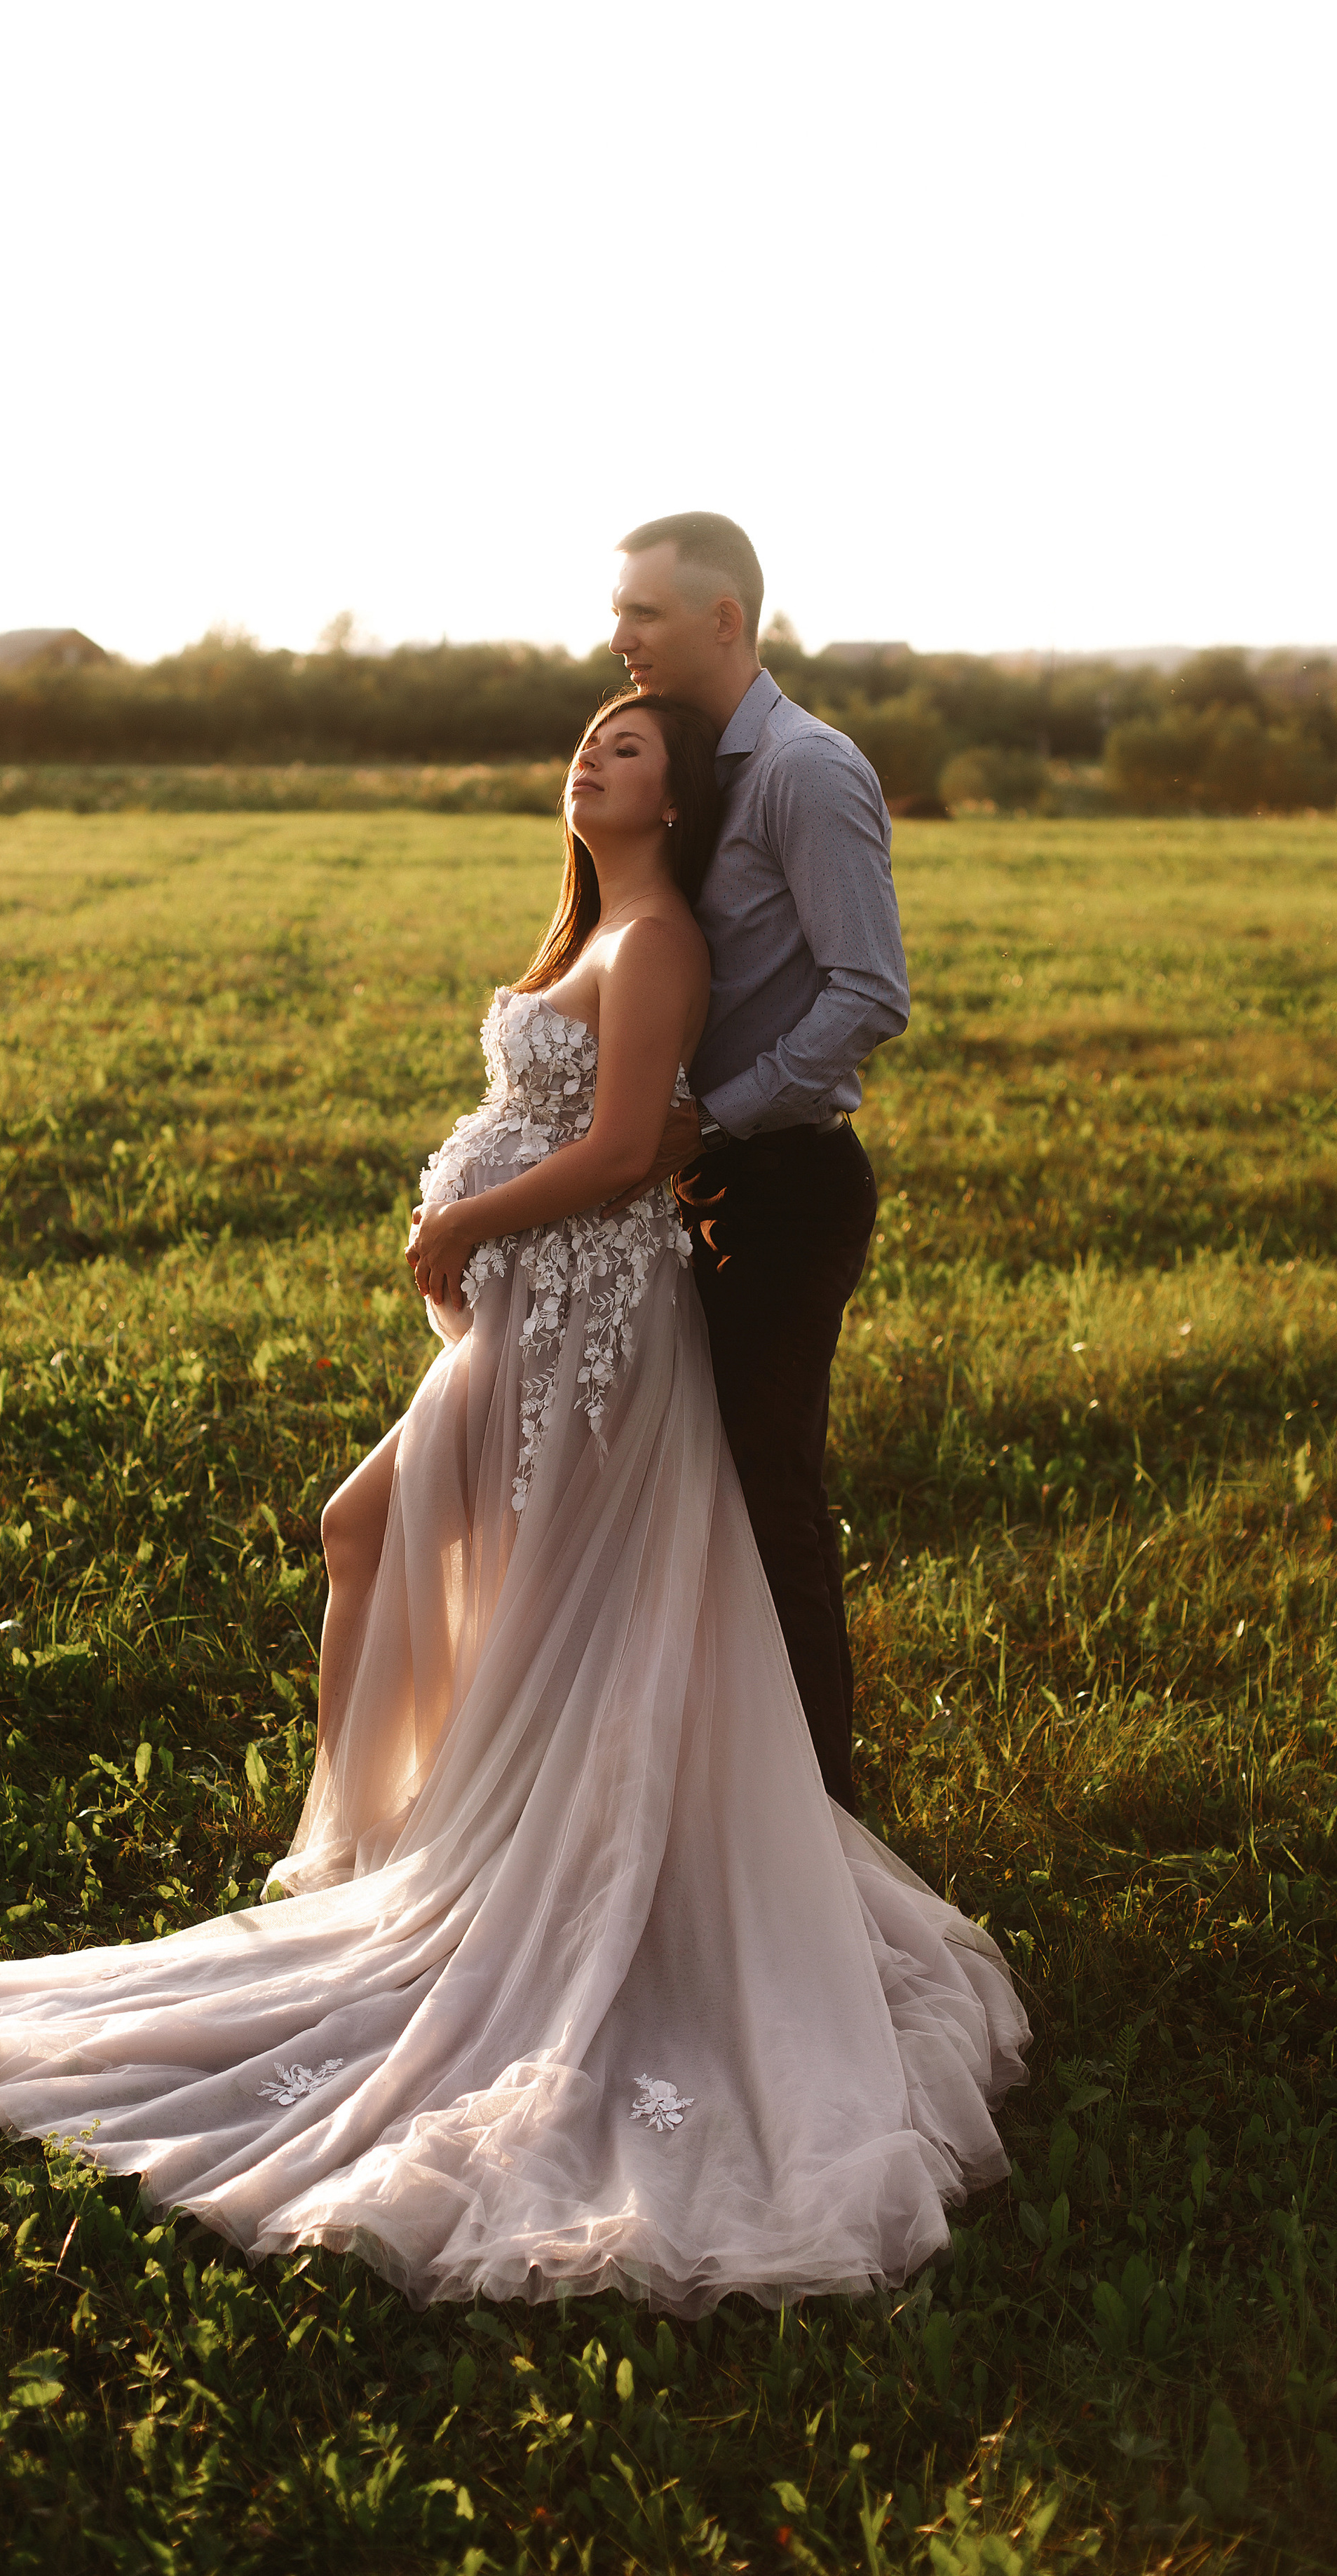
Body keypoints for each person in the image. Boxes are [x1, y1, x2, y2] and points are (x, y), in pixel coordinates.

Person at [0, 683, 1026, 2313]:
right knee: (429, 1559)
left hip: (581, 1319)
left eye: (626, 749)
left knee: (386, 1538)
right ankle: (392, 1838)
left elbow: (623, 1148)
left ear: (675, 802)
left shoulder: (659, 944)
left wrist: (464, 1224)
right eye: (587, 740)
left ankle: (367, 1857)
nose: (590, 757)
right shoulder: (589, 928)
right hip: (538, 1308)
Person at [606, 512, 909, 1814]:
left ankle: (822, 1823)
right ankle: (713, 1800)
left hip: (783, 1188)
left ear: (724, 620)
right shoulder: (700, 767)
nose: (620, 637)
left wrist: (718, 1117)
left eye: (645, 613)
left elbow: (869, 991)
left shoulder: (804, 771)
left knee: (766, 1494)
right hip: (696, 1177)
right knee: (686, 1487)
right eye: (620, 611)